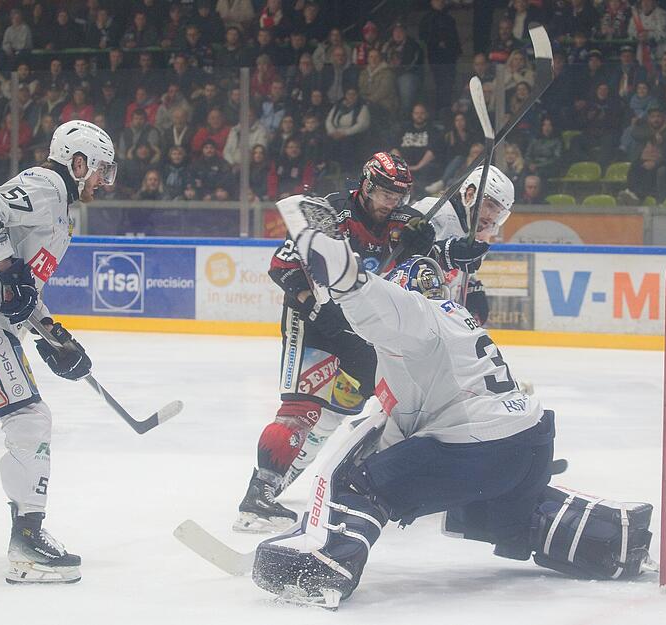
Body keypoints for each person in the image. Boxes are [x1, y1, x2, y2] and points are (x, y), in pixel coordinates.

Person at [251, 205, 554, 605]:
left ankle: (323, 566)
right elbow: (411, 414)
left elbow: (364, 294)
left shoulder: (414, 314)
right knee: (509, 517)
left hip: (480, 452)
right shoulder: (459, 316)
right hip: (531, 447)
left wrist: (324, 250)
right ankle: (594, 535)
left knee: (362, 482)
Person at [0, 121, 117, 584]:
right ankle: (27, 540)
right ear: (78, 161)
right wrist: (11, 272)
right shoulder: (46, 185)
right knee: (30, 418)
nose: (103, 182)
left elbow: (22, 290)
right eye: (100, 171)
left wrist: (53, 335)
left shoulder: (57, 208)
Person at [235, 153, 448, 532]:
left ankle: (302, 469)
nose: (391, 203)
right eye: (384, 194)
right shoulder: (328, 213)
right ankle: (258, 495)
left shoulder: (402, 222)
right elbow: (282, 267)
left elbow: (414, 274)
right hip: (313, 322)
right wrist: (316, 311)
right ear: (366, 185)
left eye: (398, 196)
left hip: (361, 326)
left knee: (359, 400)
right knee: (301, 408)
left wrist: (423, 246)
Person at [413, 165, 513, 325]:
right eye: (490, 206)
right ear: (470, 194)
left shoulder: (477, 230)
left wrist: (472, 286)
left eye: (499, 212)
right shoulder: (435, 210)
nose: (493, 216)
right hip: (410, 314)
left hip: (437, 319)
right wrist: (441, 253)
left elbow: (458, 271)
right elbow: (403, 260)